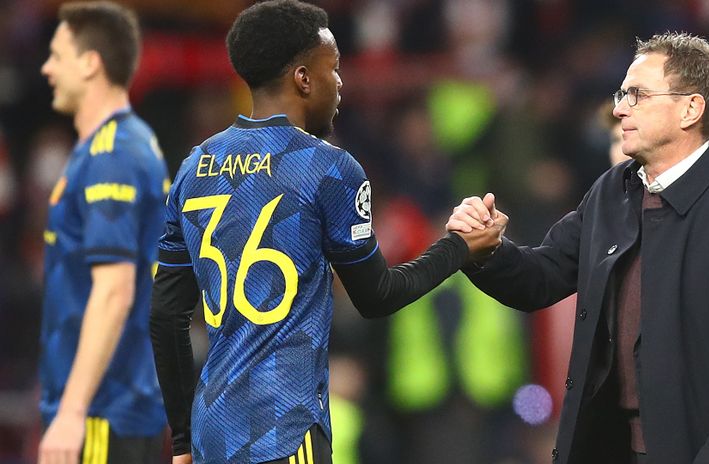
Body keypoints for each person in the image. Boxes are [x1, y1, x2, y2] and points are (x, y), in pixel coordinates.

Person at [148, 2, 501, 464]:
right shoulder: (329, 169)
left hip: (213, 432)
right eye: (333, 68)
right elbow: (377, 295)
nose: (340, 83)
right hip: (286, 430)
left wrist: (182, 439)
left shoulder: (195, 168)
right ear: (303, 78)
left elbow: (165, 315)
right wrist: (460, 248)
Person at [448, 32, 709, 464]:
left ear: (691, 108)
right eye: (621, 93)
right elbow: (541, 278)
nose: (618, 109)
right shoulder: (612, 191)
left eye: (637, 94)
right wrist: (487, 250)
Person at [38, 2, 169, 463]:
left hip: (103, 414)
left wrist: (72, 412)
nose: (46, 67)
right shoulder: (111, 146)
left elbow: (114, 291)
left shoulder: (114, 153)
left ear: (91, 63)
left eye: (57, 54)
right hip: (106, 408)